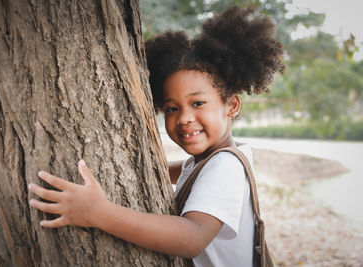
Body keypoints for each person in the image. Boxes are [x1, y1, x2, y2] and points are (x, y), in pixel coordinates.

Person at [28, 6, 284, 266]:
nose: (184, 118)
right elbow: (175, 170)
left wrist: (99, 213)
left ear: (232, 106)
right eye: (172, 109)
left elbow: (193, 238)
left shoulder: (224, 167)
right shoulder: (217, 159)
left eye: (197, 103)